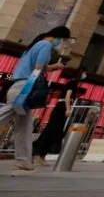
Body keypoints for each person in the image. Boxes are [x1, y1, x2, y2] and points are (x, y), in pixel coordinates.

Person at [0, 26, 69, 173]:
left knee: (25, 126)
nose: (62, 43)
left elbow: (38, 66)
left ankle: (23, 161)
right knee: (3, 117)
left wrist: (51, 67)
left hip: (19, 85)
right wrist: (54, 66)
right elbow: (38, 68)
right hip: (24, 87)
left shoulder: (36, 44)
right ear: (59, 37)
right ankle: (23, 160)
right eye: (64, 40)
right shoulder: (45, 45)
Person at [33, 66, 87, 165]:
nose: (85, 75)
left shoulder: (73, 83)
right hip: (61, 108)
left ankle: (41, 154)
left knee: (55, 132)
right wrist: (68, 108)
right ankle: (37, 153)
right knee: (52, 130)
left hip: (61, 107)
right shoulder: (73, 83)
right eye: (85, 73)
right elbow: (67, 97)